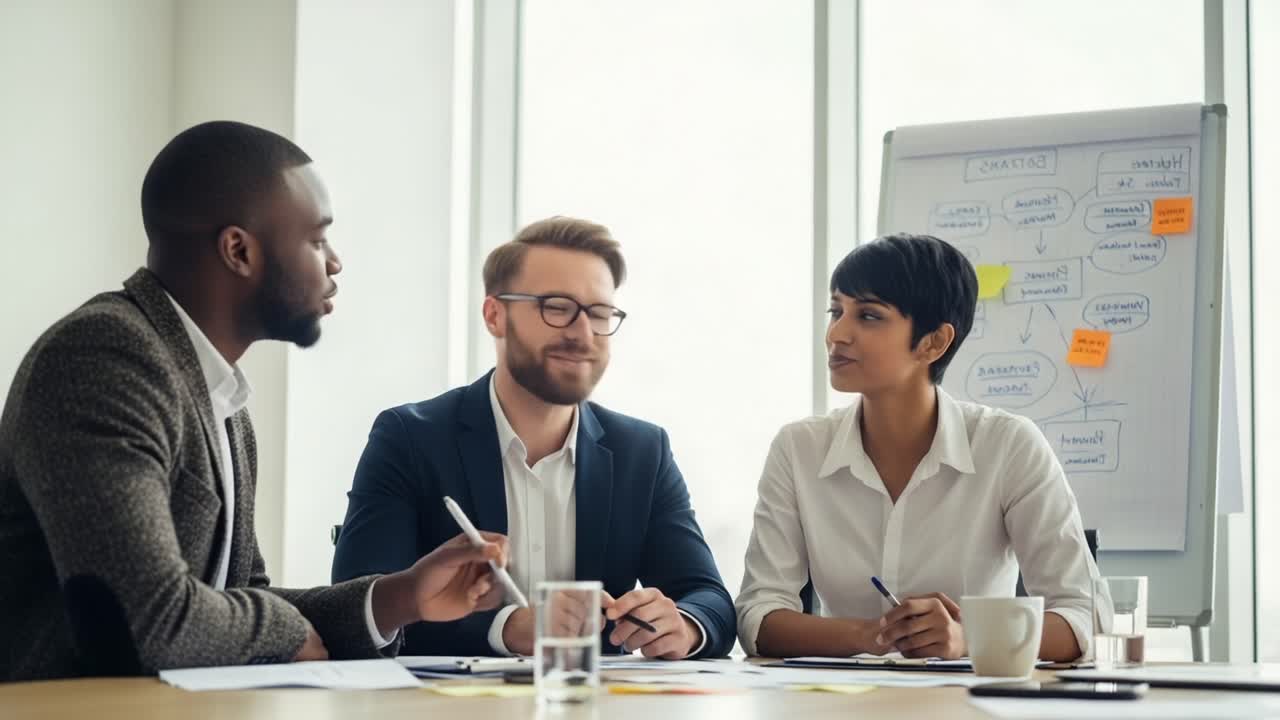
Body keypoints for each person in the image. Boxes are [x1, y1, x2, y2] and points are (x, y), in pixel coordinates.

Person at [0, 121, 507, 682]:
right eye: (316, 240)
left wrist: (401, 596)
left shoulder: (219, 392)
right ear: (239, 250)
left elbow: (236, 597)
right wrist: (284, 631)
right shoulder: (104, 358)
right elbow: (145, 619)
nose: (335, 263)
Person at [332, 216, 734, 658]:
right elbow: (360, 608)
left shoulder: (643, 451)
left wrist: (685, 626)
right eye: (557, 307)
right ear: (494, 315)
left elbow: (709, 598)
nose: (583, 334)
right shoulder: (409, 437)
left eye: (599, 313)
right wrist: (508, 628)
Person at [735, 233, 1097, 661]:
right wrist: (871, 635)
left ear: (933, 343)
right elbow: (759, 618)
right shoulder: (799, 448)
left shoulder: (1008, 445)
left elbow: (1085, 616)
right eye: (837, 310)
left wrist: (968, 638)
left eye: (868, 316)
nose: (837, 333)